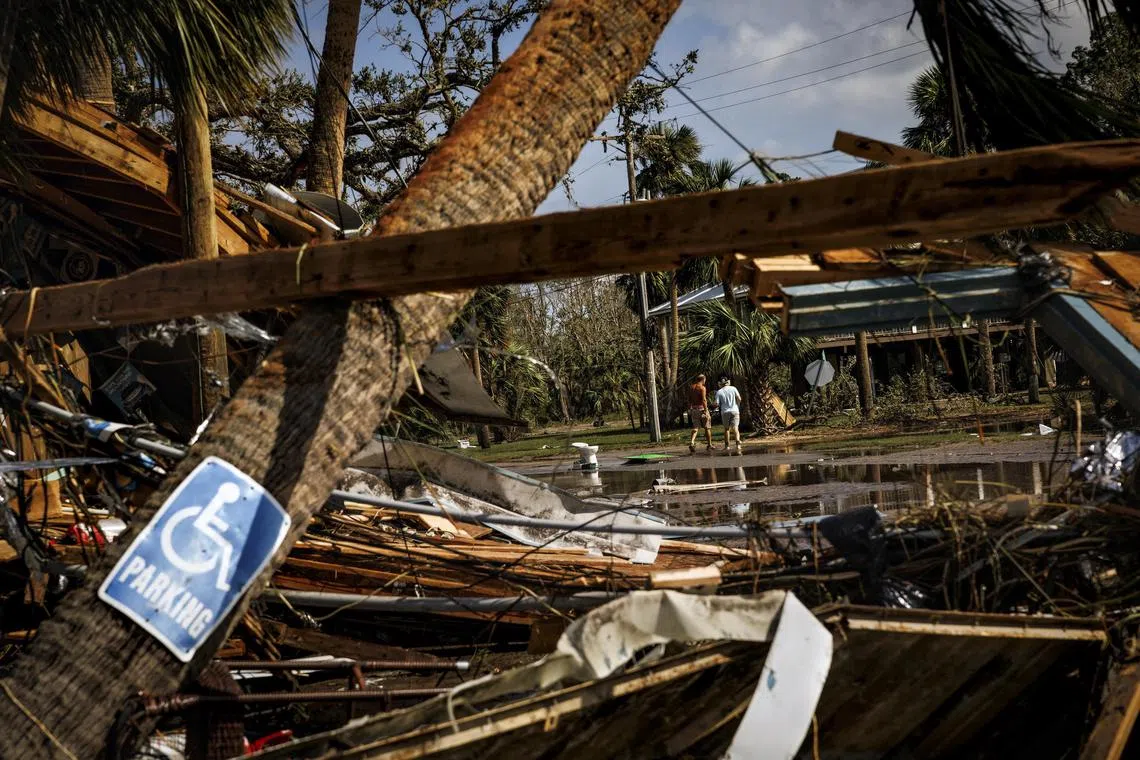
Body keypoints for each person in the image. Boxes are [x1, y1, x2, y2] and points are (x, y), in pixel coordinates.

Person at [716, 376, 743, 453]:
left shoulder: (719, 392)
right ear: (727, 382)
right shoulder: (733, 388)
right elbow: (739, 399)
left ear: (720, 383)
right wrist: (737, 405)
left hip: (725, 412)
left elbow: (717, 404)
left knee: (726, 429)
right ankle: (738, 444)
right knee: (735, 428)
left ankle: (727, 446)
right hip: (735, 410)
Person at [688, 374, 713, 453]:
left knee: (695, 427)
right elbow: (704, 400)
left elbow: (689, 399)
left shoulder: (692, 387)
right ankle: (709, 444)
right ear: (703, 379)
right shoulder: (702, 388)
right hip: (701, 409)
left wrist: (690, 408)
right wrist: (706, 411)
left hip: (694, 409)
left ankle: (692, 442)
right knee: (707, 427)